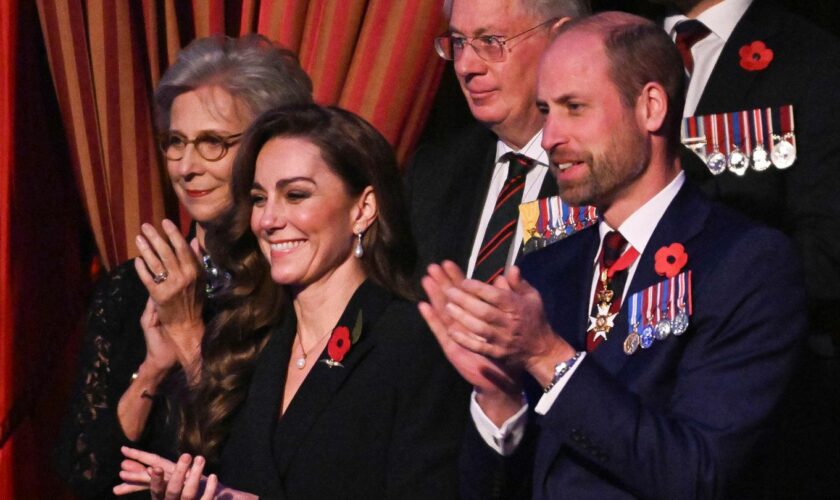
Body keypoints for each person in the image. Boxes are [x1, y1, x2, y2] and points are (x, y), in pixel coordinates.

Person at [420, 12, 806, 498]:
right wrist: (498, 399)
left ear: (650, 107)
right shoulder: (543, 269)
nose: (552, 136)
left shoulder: (744, 263)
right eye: (546, 111)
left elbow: (700, 473)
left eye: (574, 108)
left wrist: (549, 357)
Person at [114, 105, 470, 499]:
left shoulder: (412, 341)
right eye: (259, 198)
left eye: (296, 195)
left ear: (363, 209)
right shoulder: (251, 338)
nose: (268, 220)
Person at [56, 34, 312, 498]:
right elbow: (84, 473)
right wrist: (153, 371)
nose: (186, 166)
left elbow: (256, 471)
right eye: (175, 141)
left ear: (267, 147)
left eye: (212, 143)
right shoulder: (128, 288)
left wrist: (190, 334)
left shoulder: (295, 288)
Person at [405, 0, 589, 283]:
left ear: (560, 39)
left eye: (490, 41)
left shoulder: (610, 171)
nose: (466, 66)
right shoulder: (433, 173)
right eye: (457, 42)